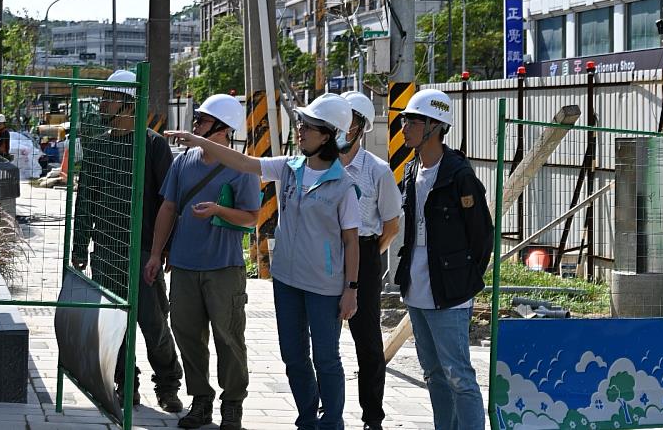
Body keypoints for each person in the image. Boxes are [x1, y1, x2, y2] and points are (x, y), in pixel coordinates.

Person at [165, 92, 361, 430]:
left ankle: (331, 422)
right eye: (300, 123)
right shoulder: (289, 167)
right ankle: (306, 421)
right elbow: (243, 163)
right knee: (294, 358)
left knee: (326, 359)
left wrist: (351, 289)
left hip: (325, 287)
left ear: (327, 135)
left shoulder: (343, 185)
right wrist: (197, 139)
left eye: (308, 126)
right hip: (287, 282)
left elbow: (351, 242)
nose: (299, 130)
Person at [144, 94, 261, 430]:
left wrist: (219, 210)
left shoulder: (242, 167)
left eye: (202, 120)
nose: (195, 125)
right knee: (188, 335)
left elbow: (252, 218)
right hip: (183, 266)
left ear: (223, 128)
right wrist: (155, 254)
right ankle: (201, 400)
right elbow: (168, 208)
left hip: (224, 268)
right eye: (196, 119)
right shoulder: (183, 162)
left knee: (228, 337)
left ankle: (233, 403)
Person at [71, 70, 184, 413]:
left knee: (154, 325)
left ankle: (167, 385)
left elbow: (170, 201)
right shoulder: (98, 146)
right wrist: (79, 246)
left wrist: (165, 249)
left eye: (109, 98)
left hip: (144, 253)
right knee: (115, 325)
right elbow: (85, 199)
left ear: (127, 104)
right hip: (105, 252)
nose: (103, 104)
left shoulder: (153, 145)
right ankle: (126, 384)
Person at [393, 89, 493, 430]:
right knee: (434, 373)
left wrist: (463, 280)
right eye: (404, 119)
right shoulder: (409, 171)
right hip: (415, 288)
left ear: (435, 126)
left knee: (459, 376)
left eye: (411, 121)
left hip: (449, 293)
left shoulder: (460, 176)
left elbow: (482, 238)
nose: (403, 127)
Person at [338, 91, 401, 430]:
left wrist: (364, 258)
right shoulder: (322, 165)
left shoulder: (377, 170)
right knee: (322, 337)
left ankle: (372, 416)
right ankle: (325, 408)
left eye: (348, 121)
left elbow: (391, 226)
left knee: (367, 341)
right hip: (326, 253)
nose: (340, 128)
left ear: (360, 127)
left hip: (363, 254)